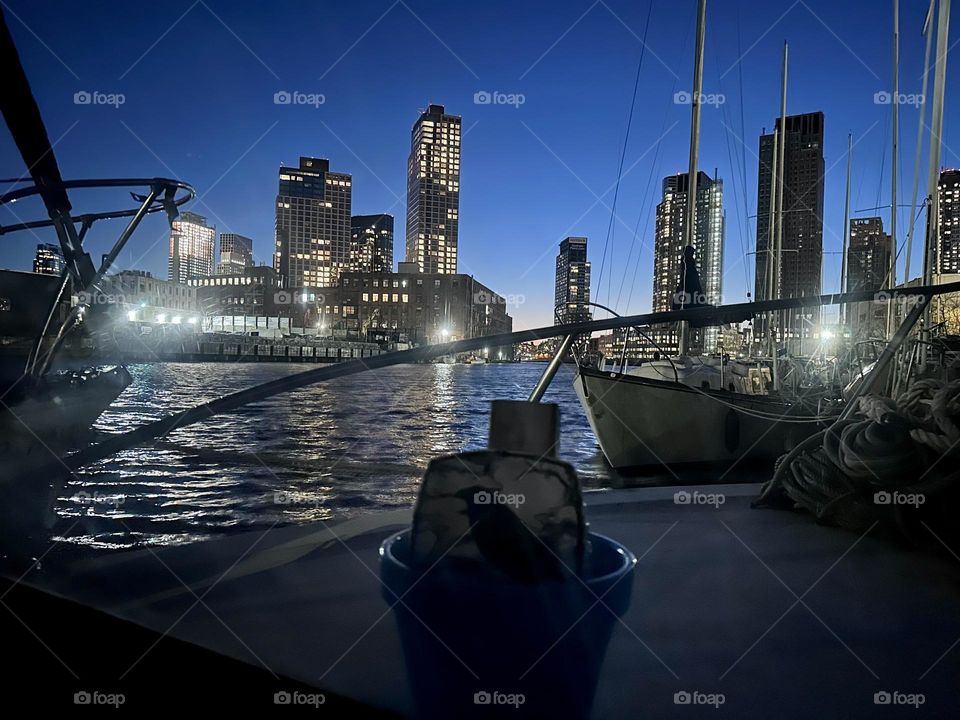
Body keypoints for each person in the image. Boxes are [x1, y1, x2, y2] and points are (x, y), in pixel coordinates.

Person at [672, 245, 705, 310]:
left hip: (691, 286)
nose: (691, 254)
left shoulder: (689, 263)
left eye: (692, 253)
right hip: (689, 287)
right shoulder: (685, 262)